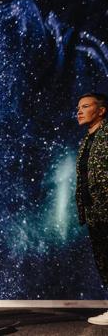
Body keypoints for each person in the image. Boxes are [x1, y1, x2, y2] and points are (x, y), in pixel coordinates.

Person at [75, 92, 108, 326]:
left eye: (85, 106)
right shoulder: (86, 140)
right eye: (78, 107)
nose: (79, 111)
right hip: (94, 211)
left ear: (101, 110)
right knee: (104, 261)